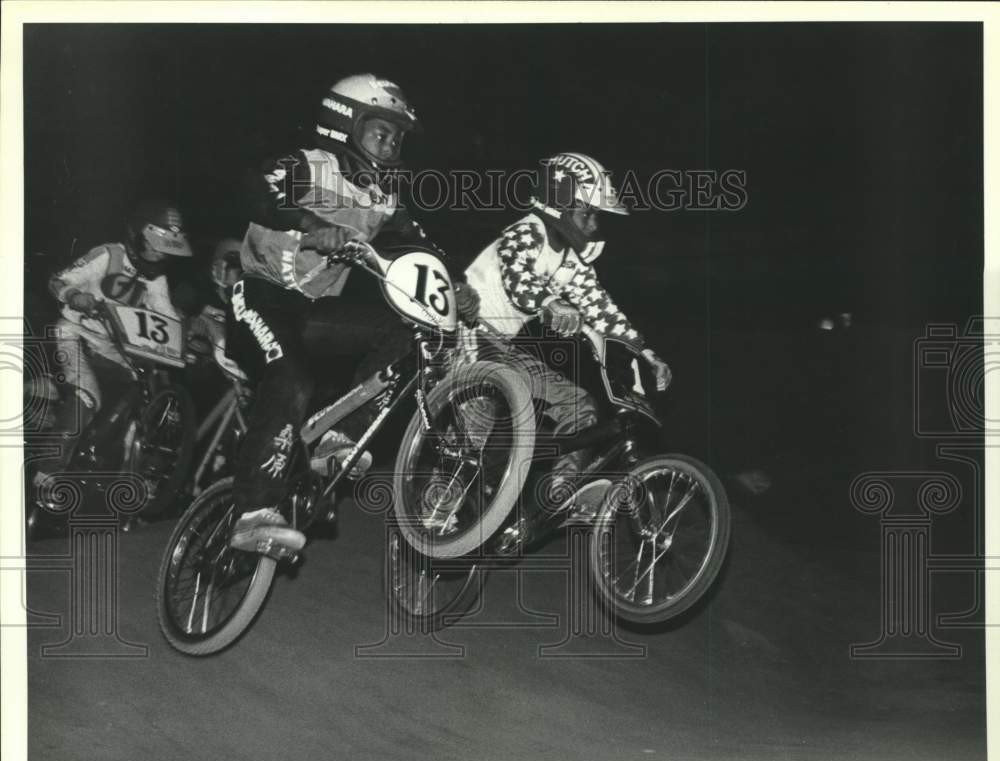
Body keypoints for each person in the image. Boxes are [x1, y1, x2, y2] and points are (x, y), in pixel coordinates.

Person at [229, 73, 479, 557]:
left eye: (396, 139)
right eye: (381, 132)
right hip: (261, 295)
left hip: (314, 312)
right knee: (291, 378)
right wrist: (311, 224)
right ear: (345, 124)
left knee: (405, 330)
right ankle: (253, 512)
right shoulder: (307, 164)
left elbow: (416, 243)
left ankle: (338, 438)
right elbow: (255, 191)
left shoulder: (383, 196)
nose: (390, 147)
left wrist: (456, 283)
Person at [463, 152, 672, 538]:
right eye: (587, 214)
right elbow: (517, 276)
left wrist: (647, 353)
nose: (594, 225)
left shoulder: (572, 261)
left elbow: (600, 307)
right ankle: (439, 504)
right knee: (473, 434)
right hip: (468, 333)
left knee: (580, 405)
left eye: (597, 217)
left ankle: (560, 495)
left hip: (502, 348)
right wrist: (548, 302)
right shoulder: (526, 232)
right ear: (559, 203)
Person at [36, 198, 193, 483]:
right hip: (76, 334)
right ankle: (46, 473)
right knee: (87, 396)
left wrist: (184, 339)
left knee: (136, 391)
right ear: (137, 235)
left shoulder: (157, 279)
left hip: (114, 349)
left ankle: (94, 454)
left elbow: (165, 316)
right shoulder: (108, 255)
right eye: (155, 247)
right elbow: (59, 279)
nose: (159, 257)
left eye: (166, 251)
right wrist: (75, 295)